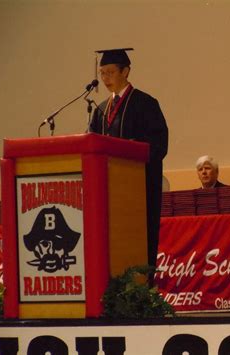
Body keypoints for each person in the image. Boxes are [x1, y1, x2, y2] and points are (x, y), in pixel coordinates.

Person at [89, 48, 169, 269]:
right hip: (108, 191)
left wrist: (130, 155)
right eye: (102, 73)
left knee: (141, 239)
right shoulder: (100, 110)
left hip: (139, 188)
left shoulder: (146, 104)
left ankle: (143, 289)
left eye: (111, 72)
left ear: (126, 71)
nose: (105, 79)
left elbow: (159, 145)